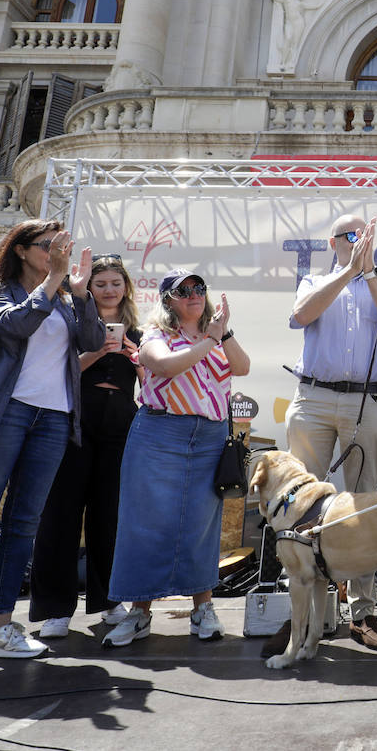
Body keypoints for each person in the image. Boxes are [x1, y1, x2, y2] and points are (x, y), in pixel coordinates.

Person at [0, 220, 104, 675]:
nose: (57, 253)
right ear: (23, 250)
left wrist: (81, 293)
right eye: (49, 247)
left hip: (53, 416)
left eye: (61, 247)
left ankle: (0, 626)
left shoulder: (66, 298)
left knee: (24, 523)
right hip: (1, 412)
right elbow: (19, 324)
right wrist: (53, 280)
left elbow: (92, 341)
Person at [268, 213, 377, 657]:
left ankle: (362, 612)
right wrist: (348, 271)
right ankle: (306, 615)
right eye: (351, 234)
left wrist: (369, 272)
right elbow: (300, 314)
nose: (359, 240)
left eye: (365, 235)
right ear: (334, 241)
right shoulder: (313, 280)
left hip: (364, 400)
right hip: (314, 399)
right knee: (299, 505)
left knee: (364, 504)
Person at [103, 270, 250, 648]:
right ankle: (139, 612)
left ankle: (203, 607)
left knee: (200, 524)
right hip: (160, 432)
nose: (193, 295)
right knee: (147, 523)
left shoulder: (217, 335)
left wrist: (222, 333)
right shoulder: (156, 336)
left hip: (209, 436)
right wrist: (210, 340)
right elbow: (165, 366)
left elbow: (243, 366)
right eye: (183, 291)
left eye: (198, 288)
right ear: (168, 299)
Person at [29, 254, 143, 638]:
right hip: (74, 423)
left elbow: (154, 383)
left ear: (125, 286)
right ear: (87, 288)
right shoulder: (71, 324)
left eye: (115, 282)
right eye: (101, 284)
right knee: (60, 515)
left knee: (109, 515)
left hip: (121, 425)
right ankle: (55, 610)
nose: (109, 290)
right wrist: (100, 350)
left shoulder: (141, 332)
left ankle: (109, 600)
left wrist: (134, 354)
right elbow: (61, 371)